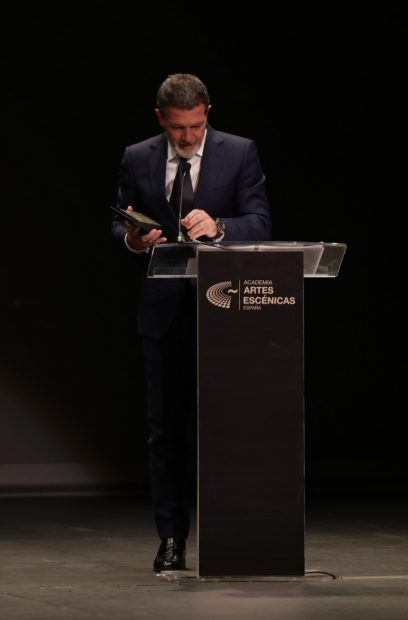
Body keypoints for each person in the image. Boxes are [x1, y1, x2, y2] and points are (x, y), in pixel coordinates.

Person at [111, 73, 272, 572]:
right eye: (178, 128)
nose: (187, 138)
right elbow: (120, 219)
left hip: (226, 312)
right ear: (161, 119)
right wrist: (132, 239)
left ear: (207, 112)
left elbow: (261, 222)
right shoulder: (138, 156)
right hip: (163, 312)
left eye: (196, 126)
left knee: (230, 428)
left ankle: (236, 536)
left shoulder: (240, 152)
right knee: (166, 432)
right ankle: (171, 539)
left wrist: (220, 227)